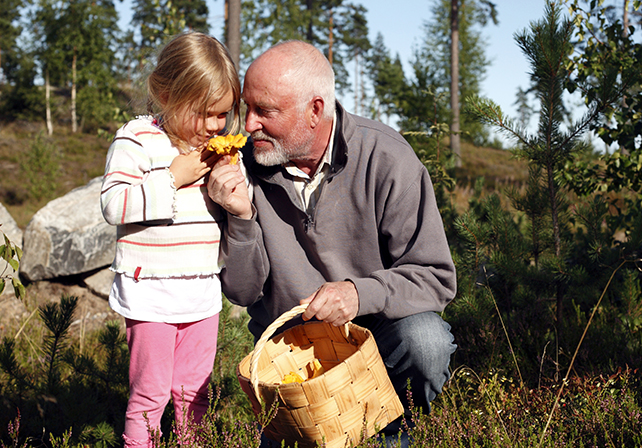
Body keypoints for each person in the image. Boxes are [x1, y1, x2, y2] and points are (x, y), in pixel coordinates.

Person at [207, 40, 457, 447]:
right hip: (292, 351)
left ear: (315, 110)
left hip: (378, 335)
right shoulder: (242, 169)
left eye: (265, 111)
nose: (248, 124)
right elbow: (241, 291)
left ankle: (390, 431)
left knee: (426, 342)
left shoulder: (388, 158)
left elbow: (435, 278)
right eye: (246, 108)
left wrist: (359, 294)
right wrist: (240, 217)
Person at [100, 32, 242, 447]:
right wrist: (174, 177)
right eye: (205, 113)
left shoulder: (218, 150)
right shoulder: (137, 140)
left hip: (200, 291)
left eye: (224, 115)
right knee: (151, 394)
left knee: (193, 395)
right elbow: (114, 203)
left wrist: (233, 188)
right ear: (166, 93)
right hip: (151, 292)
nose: (216, 125)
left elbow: (227, 214)